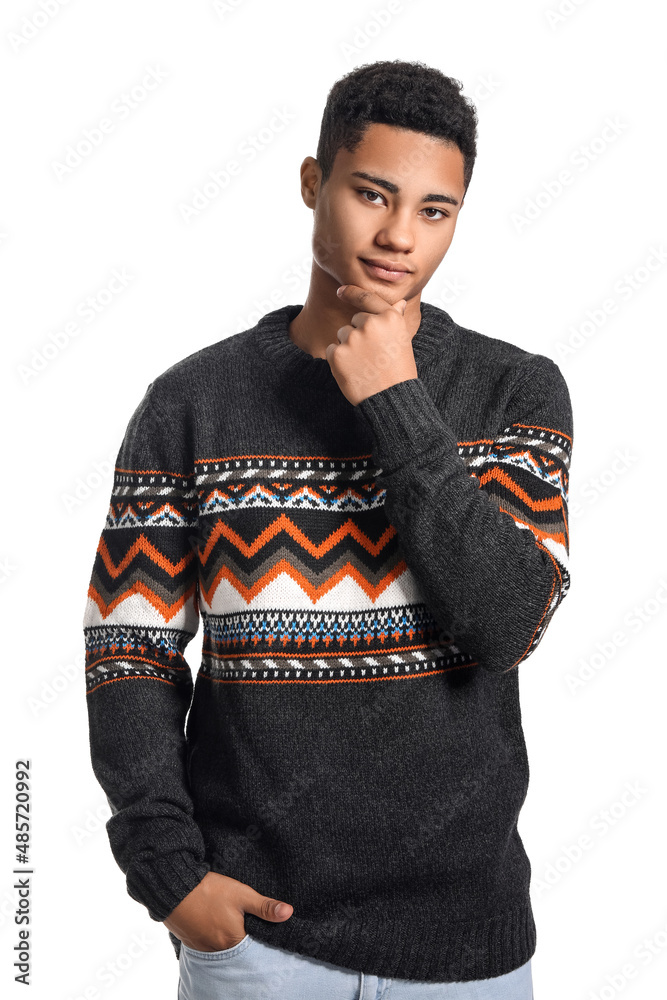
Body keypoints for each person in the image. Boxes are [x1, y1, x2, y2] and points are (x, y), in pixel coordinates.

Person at [82, 58, 572, 999]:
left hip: (464, 949)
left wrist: (395, 398)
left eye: (435, 211)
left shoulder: (516, 390)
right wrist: (169, 874)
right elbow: (130, 652)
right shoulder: (192, 404)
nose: (398, 236)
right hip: (259, 942)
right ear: (314, 182)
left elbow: (508, 622)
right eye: (371, 193)